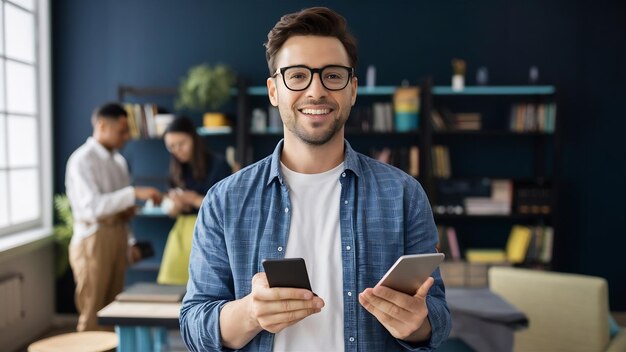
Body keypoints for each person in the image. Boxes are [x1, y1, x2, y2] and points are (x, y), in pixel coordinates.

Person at [180, 7, 451, 351]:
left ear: (352, 90)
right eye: (297, 76)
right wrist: (250, 312)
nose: (316, 91)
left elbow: (438, 317)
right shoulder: (224, 200)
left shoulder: (404, 194)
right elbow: (193, 326)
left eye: (332, 76)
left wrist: (417, 325)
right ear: (274, 90)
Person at [65, 103, 162, 331]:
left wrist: (129, 242)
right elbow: (92, 208)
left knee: (112, 309)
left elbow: (119, 211)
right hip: (93, 238)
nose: (126, 137)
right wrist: (133, 193)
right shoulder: (82, 160)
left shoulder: (118, 162)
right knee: (92, 310)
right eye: (122, 131)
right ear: (101, 125)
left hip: (117, 234)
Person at [156, 116, 232, 285]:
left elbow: (226, 208)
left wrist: (194, 199)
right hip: (182, 231)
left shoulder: (218, 165)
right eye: (171, 147)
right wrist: (173, 206)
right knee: (172, 283)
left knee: (206, 283)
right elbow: (169, 210)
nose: (177, 150)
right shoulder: (176, 168)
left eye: (181, 144)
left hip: (210, 231)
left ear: (194, 138)